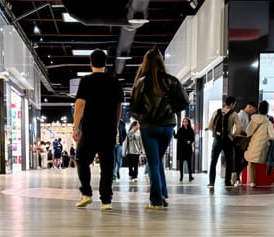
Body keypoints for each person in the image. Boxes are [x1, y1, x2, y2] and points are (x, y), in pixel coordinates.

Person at [130, 49, 189, 209]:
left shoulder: (141, 82)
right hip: (167, 126)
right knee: (157, 160)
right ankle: (162, 193)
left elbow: (134, 106)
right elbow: (184, 101)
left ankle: (156, 201)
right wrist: (170, 110)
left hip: (149, 127)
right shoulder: (172, 80)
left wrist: (142, 115)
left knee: (153, 162)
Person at [72, 49, 123, 210]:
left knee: (82, 161)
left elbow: (80, 104)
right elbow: (119, 107)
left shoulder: (86, 81)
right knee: (107, 165)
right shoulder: (114, 81)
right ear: (105, 63)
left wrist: (75, 127)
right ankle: (106, 201)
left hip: (89, 129)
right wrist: (115, 125)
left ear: (90, 63)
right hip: (108, 130)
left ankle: (86, 194)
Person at [206, 96, 238, 189]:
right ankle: (227, 182)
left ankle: (211, 182)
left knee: (213, 161)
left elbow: (210, 126)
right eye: (234, 104)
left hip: (217, 140)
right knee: (229, 161)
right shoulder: (234, 114)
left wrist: (217, 134)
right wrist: (233, 136)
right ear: (231, 104)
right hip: (227, 140)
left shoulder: (216, 112)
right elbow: (239, 127)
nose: (234, 106)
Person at [243, 101, 274, 187]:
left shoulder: (253, 120)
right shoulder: (268, 122)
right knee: (270, 159)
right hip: (263, 147)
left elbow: (248, 133)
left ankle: (252, 182)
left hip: (253, 145)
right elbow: (273, 136)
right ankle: (268, 180)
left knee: (251, 162)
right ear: (267, 110)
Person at [230, 100, 257, 185]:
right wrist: (248, 134)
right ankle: (236, 176)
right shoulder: (241, 116)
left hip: (242, 140)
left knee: (241, 160)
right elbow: (239, 129)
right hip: (240, 140)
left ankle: (236, 176)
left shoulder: (244, 115)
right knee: (242, 159)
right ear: (249, 107)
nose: (253, 112)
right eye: (253, 110)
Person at [175, 116, 195, 181]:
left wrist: (190, 141)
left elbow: (193, 139)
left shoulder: (191, 130)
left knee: (189, 162)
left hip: (188, 148)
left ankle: (190, 176)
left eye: (186, 121)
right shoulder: (180, 130)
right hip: (182, 148)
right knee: (181, 163)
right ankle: (181, 176)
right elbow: (177, 136)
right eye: (183, 121)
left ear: (188, 122)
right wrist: (173, 132)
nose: (184, 123)